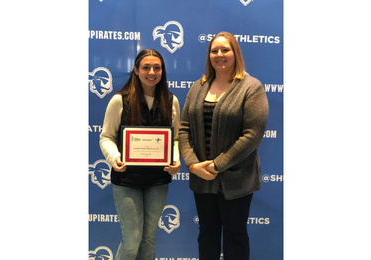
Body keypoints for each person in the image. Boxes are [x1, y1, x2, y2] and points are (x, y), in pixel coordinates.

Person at [179, 32, 269, 260]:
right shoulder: (197, 87)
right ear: (209, 55)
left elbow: (253, 135)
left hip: (236, 180)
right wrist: (192, 165)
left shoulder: (251, 87)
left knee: (235, 235)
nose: (219, 55)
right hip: (202, 178)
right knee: (207, 234)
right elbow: (184, 129)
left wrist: (218, 165)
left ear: (235, 53)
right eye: (214, 51)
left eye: (225, 50)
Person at [100, 48, 181, 260]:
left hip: (158, 179)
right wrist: (113, 157)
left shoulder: (171, 101)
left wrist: (176, 159)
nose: (151, 72)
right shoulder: (119, 100)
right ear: (136, 70)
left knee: (148, 240)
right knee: (132, 240)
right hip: (126, 178)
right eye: (146, 67)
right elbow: (106, 137)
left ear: (162, 71)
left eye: (157, 67)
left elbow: (174, 139)